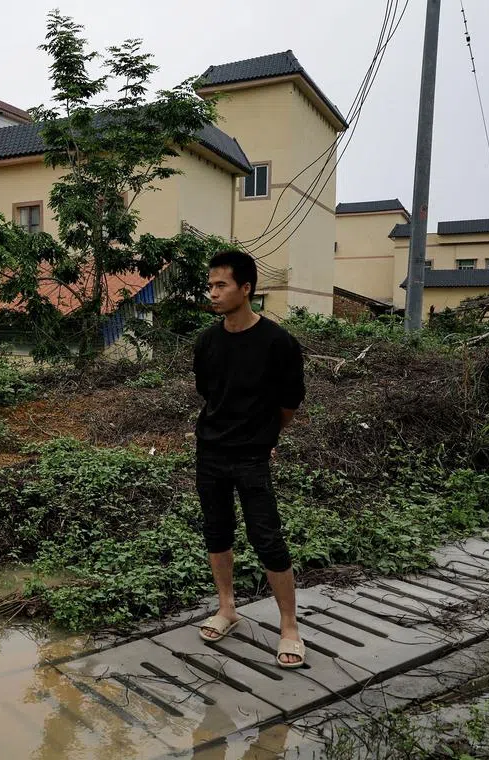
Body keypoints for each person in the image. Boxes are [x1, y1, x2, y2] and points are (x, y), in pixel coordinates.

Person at [191, 250, 306, 668]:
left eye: (221, 285)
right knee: (216, 532)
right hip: (210, 452)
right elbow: (209, 393)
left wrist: (264, 436)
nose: (213, 293)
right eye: (211, 285)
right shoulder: (207, 341)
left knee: (267, 537)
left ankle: (289, 626)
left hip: (252, 456)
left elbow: (289, 403)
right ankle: (227, 609)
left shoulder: (278, 343)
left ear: (246, 288)